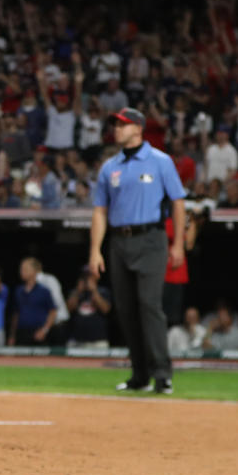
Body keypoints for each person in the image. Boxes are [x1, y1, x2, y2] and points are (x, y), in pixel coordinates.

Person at [89, 107, 187, 395]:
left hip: (151, 238)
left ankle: (162, 374)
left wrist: (178, 243)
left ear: (138, 128)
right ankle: (140, 375)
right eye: (115, 125)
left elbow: (178, 202)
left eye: (122, 125)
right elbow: (99, 211)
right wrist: (95, 250)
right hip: (119, 241)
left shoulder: (160, 161)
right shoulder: (110, 167)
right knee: (127, 310)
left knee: (149, 305)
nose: (117, 129)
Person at [9, 257, 58, 346]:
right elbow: (16, 314)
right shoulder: (19, 291)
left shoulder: (44, 291)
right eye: (21, 269)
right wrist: (12, 335)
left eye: (25, 269)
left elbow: (53, 312)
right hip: (21, 333)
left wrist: (44, 330)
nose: (21, 271)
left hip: (38, 334)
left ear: (35, 271)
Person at [66, 265, 113, 347]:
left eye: (90, 276)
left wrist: (94, 291)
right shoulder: (75, 292)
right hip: (76, 340)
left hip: (98, 340)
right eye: (85, 276)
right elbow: (68, 310)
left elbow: (105, 310)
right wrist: (78, 292)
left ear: (96, 277)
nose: (87, 279)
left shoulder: (103, 291)